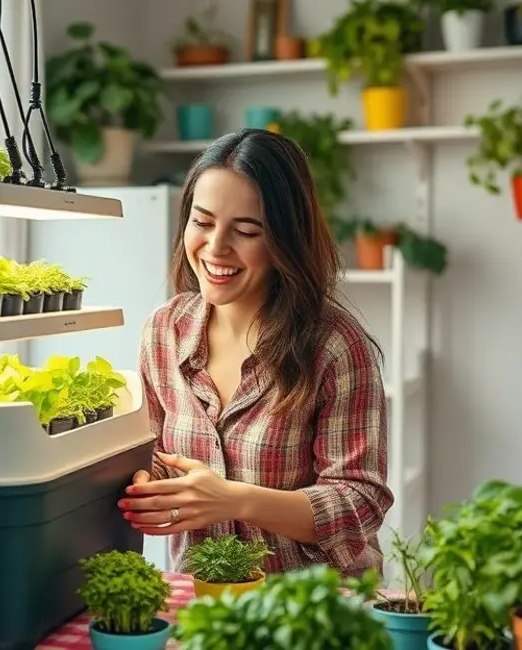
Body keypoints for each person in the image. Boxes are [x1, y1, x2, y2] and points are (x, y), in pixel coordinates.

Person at [117, 128, 393, 577]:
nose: (215, 247)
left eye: (246, 230)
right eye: (202, 222)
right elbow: (156, 460)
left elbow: (360, 502)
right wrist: (146, 487)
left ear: (286, 240)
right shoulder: (164, 331)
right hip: (209, 601)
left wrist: (231, 499)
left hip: (316, 608)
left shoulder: (336, 346)